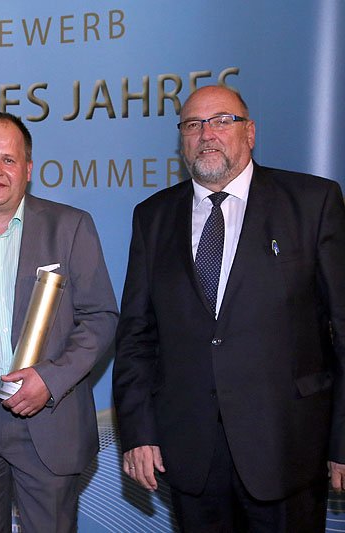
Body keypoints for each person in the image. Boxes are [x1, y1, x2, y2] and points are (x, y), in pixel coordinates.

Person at [113, 85, 345, 531]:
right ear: (181, 139)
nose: (207, 134)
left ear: (249, 132)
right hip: (191, 453)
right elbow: (136, 336)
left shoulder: (312, 202)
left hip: (289, 448)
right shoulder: (153, 217)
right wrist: (139, 433)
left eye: (222, 120)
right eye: (193, 125)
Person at [0, 112, 119, 532]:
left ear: (28, 169)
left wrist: (50, 379)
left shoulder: (70, 226)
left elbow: (101, 317)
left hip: (47, 418)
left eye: (9, 160)